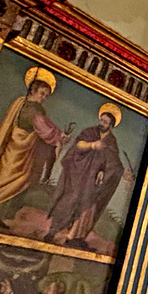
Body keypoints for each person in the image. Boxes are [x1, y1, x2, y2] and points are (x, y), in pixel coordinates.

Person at [0, 68, 72, 222]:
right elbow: (42, 127)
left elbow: (46, 126)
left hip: (24, 151)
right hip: (16, 149)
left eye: (46, 95)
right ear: (32, 90)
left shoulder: (29, 106)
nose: (43, 98)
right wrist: (59, 136)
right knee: (5, 181)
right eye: (41, 93)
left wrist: (57, 134)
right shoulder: (30, 107)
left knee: (16, 185)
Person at [45, 103, 124, 246]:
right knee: (68, 200)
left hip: (93, 182)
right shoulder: (89, 132)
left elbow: (114, 162)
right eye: (101, 120)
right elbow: (78, 145)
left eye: (105, 122)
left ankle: (74, 237)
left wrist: (105, 172)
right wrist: (92, 145)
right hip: (78, 174)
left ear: (111, 124)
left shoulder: (111, 141)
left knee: (87, 207)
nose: (102, 123)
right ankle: (53, 230)